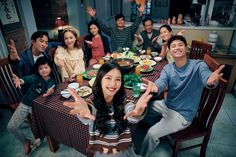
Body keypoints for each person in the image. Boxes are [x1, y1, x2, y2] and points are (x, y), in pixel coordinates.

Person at [137, 35, 225, 157]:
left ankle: (141, 155)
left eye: (180, 45)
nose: (177, 48)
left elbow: (207, 78)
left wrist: (211, 81)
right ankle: (160, 126)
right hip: (167, 104)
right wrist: (156, 87)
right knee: (145, 107)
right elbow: (161, 82)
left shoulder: (198, 65)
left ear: (186, 48)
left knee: (152, 134)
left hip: (182, 114)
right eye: (173, 46)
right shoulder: (168, 68)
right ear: (169, 50)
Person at [63, 62, 153, 157]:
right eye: (108, 78)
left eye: (118, 79)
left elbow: (130, 110)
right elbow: (88, 111)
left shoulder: (125, 102)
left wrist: (137, 113)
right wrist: (85, 112)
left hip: (124, 149)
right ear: (100, 79)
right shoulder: (92, 103)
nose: (113, 84)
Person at [7, 56, 56, 155]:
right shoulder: (35, 77)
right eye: (40, 68)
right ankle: (26, 141)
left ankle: (42, 139)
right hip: (25, 103)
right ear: (37, 70)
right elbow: (26, 79)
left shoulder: (51, 81)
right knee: (11, 127)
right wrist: (20, 81)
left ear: (50, 68)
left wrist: (50, 91)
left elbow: (52, 87)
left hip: (37, 108)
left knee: (40, 129)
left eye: (46, 67)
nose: (43, 70)